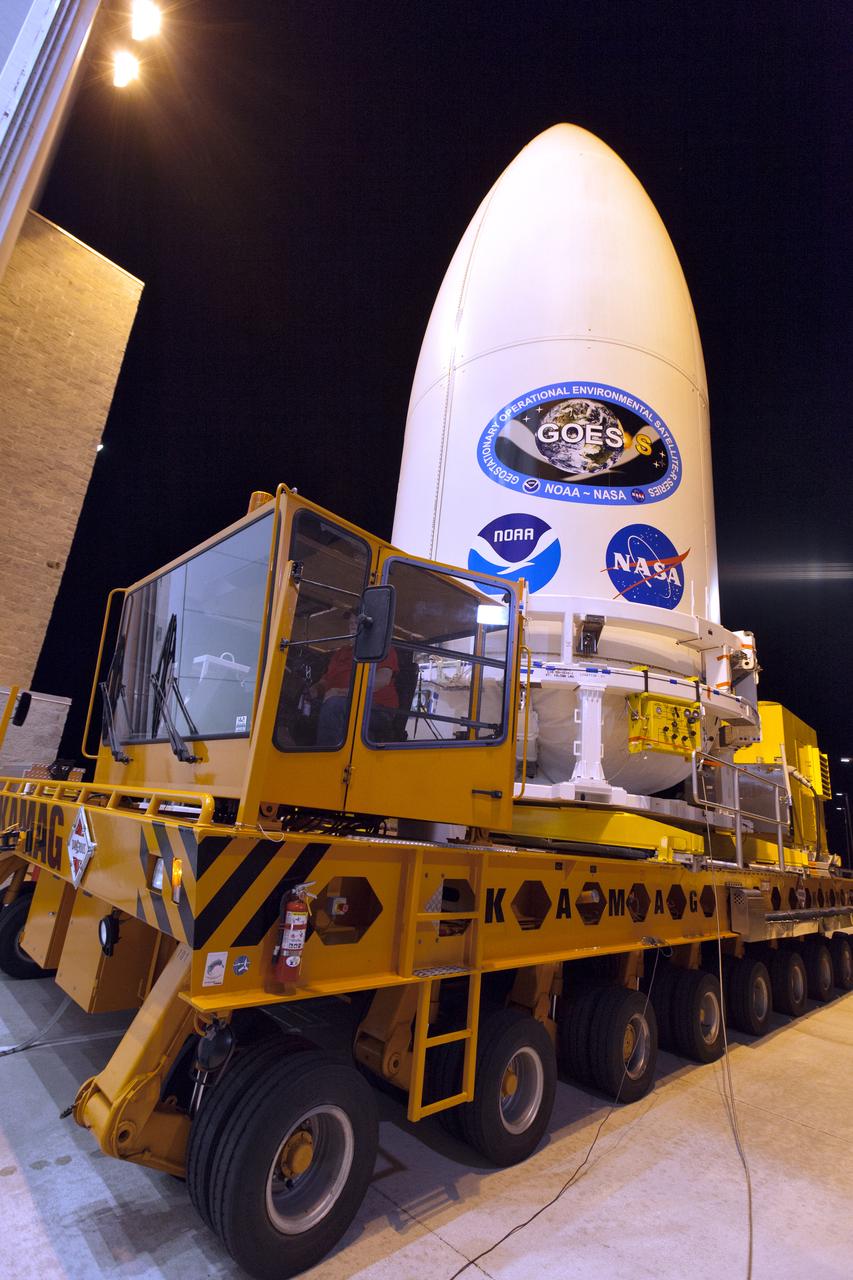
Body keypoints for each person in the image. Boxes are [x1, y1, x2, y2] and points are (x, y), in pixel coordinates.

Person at [314, 634, 399, 746]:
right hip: (345, 704)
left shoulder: (380, 648)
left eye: (357, 620)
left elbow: (382, 680)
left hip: (376, 708)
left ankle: (326, 758)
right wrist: (313, 690)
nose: (353, 623)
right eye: (351, 621)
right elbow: (325, 681)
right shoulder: (340, 653)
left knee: (334, 705)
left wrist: (341, 692)